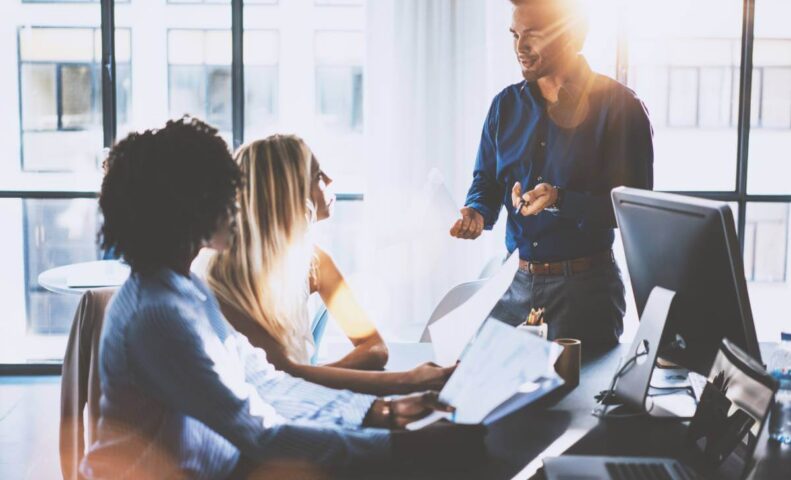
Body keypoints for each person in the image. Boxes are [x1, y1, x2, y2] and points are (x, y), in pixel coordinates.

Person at [82, 118, 484, 479]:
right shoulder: (157, 317)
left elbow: (266, 383)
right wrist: (398, 442)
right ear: (185, 209)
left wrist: (385, 412)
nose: (235, 204)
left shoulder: (185, 289)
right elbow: (259, 433)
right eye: (223, 191)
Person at [450, 0, 654, 347]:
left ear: (571, 33)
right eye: (515, 34)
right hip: (513, 284)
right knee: (478, 383)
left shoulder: (621, 108)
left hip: (585, 293)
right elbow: (486, 181)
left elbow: (633, 213)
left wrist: (561, 200)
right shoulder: (505, 106)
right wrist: (476, 212)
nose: (520, 48)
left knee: (577, 399)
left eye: (533, 35)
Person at [207, 135, 454, 396]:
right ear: (288, 191)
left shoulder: (315, 261)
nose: (330, 180)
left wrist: (317, 376)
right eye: (317, 176)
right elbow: (281, 376)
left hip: (296, 399)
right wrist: (408, 379)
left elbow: (374, 348)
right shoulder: (227, 275)